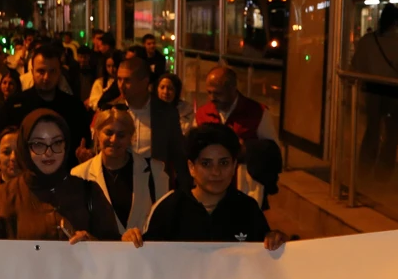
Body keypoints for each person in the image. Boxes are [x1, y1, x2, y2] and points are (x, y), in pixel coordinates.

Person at [0, 109, 120, 245]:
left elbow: (114, 249)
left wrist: (93, 245)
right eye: (38, 144)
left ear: (66, 145)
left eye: (57, 143)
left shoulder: (88, 191)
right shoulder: (4, 197)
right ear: (25, 147)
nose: (48, 152)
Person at [143, 123, 286, 249]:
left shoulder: (247, 209)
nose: (216, 172)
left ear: (234, 166)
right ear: (191, 167)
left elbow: (264, 256)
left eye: (224, 163)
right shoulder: (169, 208)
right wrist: (133, 242)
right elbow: (147, 258)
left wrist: (275, 240)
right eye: (206, 164)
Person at [71, 107, 169, 234]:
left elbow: (164, 223)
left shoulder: (155, 171)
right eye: (109, 133)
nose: (114, 139)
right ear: (97, 134)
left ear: (130, 137)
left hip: (144, 246)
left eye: (121, 135)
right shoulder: (78, 175)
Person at [195, 66, 281, 205]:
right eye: (209, 92)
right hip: (211, 187)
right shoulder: (202, 114)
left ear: (232, 88)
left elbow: (273, 151)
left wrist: (246, 149)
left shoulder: (257, 112)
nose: (212, 98)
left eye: (218, 93)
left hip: (245, 187)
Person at [0, 45, 91, 160]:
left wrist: (83, 155)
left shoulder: (74, 107)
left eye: (52, 71)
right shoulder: (14, 105)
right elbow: (0, 142)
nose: (46, 77)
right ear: (32, 71)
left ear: (60, 72)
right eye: (41, 71)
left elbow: (85, 144)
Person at [351, 4, 398, 179]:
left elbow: (356, 64)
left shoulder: (367, 41)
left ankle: (364, 167)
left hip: (372, 91)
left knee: (372, 129)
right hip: (395, 93)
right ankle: (384, 172)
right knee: (391, 134)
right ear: (396, 22)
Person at [109, 57, 186, 185]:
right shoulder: (112, 110)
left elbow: (178, 154)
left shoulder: (166, 113)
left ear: (144, 82)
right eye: (119, 79)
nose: (121, 85)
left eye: (127, 80)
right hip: (120, 183)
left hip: (155, 184)